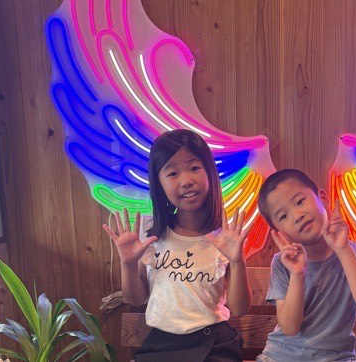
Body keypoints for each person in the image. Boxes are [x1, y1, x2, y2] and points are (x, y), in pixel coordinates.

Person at [103, 129, 252, 361]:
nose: (186, 181)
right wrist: (128, 264)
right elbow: (135, 299)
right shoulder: (151, 234)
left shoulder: (225, 237)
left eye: (194, 168)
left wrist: (237, 261)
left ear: (210, 172)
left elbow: (240, 308)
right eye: (172, 173)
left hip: (214, 343)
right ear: (159, 183)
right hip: (161, 345)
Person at [255, 169, 356, 362]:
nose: (297, 216)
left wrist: (343, 250)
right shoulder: (282, 263)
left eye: (300, 201)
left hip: (337, 358)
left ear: (322, 198)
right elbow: (289, 328)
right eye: (283, 216)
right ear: (279, 232)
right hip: (281, 356)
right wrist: (297, 274)